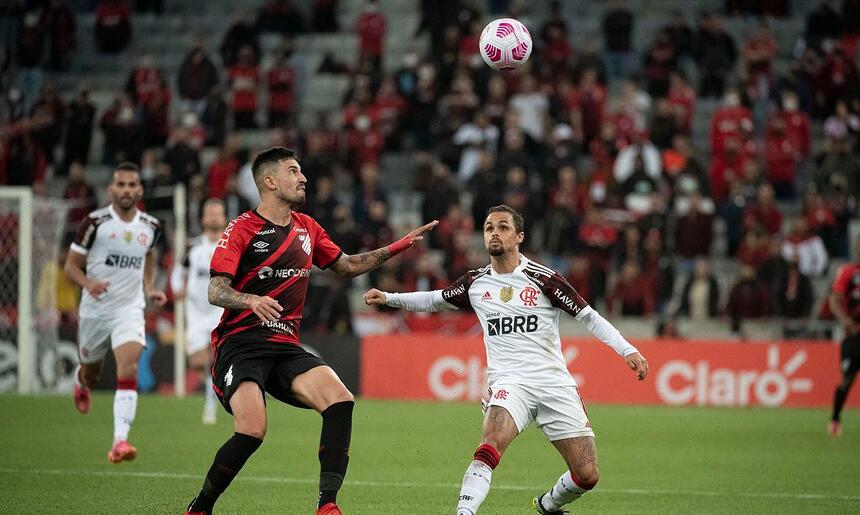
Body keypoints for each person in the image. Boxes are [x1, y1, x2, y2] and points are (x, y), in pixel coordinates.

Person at [183, 147, 437, 515]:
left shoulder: (307, 227)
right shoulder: (241, 229)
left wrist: (397, 246)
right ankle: (201, 507)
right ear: (269, 182)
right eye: (293, 171)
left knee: (340, 399)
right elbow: (215, 290)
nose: (303, 178)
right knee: (253, 430)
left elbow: (347, 266)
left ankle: (327, 505)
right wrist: (250, 300)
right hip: (241, 344)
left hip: (285, 346)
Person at [363, 205, 649, 515]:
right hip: (510, 384)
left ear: (519, 237)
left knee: (587, 474)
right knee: (489, 444)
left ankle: (547, 504)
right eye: (488, 228)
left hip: (554, 383)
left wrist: (627, 350)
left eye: (502, 227)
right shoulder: (476, 282)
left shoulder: (544, 279)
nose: (494, 233)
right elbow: (436, 299)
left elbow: (588, 317)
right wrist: (389, 298)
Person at [63, 162, 167, 463]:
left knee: (129, 368)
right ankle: (81, 381)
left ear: (140, 189)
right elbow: (70, 266)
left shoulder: (151, 226)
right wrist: (88, 283)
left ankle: (120, 441)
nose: (126, 190)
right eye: (120, 185)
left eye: (132, 185)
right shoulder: (94, 223)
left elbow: (149, 256)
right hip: (95, 308)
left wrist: (149, 288)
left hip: (129, 308)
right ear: (111, 188)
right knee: (92, 373)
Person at [170, 198, 228, 425]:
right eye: (210, 213)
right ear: (203, 218)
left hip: (219, 311)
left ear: (224, 218)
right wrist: (177, 290)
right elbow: (178, 272)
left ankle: (210, 405)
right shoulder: (192, 247)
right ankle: (212, 391)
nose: (214, 216)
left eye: (218, 212)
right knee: (197, 363)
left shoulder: (230, 244)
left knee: (213, 357)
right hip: (195, 312)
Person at [828, 237, 860, 437]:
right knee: (846, 378)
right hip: (855, 333)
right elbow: (835, 298)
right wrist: (844, 319)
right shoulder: (848, 272)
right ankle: (835, 418)